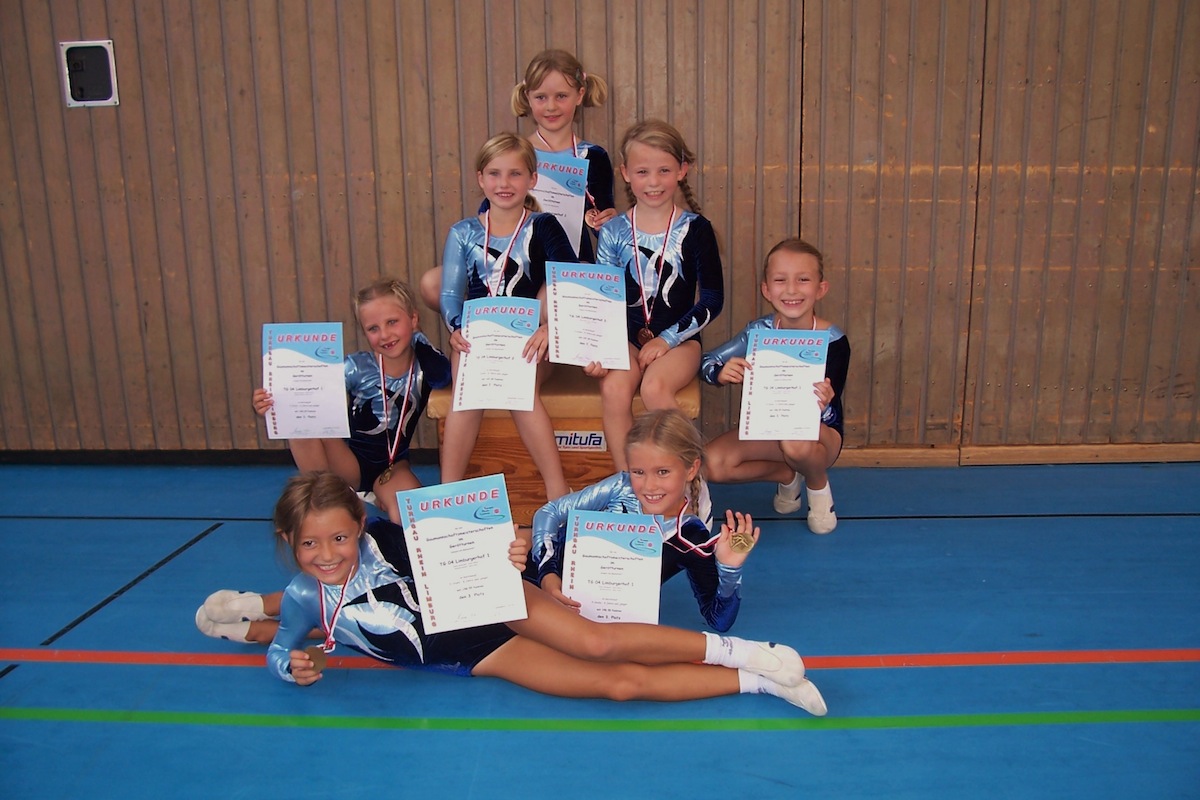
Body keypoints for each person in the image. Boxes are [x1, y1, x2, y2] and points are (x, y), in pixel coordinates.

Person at [262, 471, 827, 715]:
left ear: (359, 526)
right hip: (478, 655)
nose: (328, 553)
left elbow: (464, 546)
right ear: (289, 541)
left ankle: (747, 652)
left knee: (597, 643)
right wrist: (290, 667)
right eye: (310, 544)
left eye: (339, 537)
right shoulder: (302, 598)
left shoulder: (387, 540)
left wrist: (509, 551)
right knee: (619, 685)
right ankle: (760, 683)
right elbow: (282, 645)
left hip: (496, 603)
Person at [417, 50, 614, 309]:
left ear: (579, 95)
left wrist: (606, 223)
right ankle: (483, 324)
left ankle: (540, 326)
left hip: (568, 260)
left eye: (561, 96)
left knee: (560, 288)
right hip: (514, 256)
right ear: (527, 97)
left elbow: (603, 224)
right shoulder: (512, 154)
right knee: (433, 283)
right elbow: (488, 216)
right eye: (541, 97)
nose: (551, 106)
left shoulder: (594, 156)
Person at [437, 133, 575, 501]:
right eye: (495, 174)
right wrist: (456, 328)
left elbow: (570, 281)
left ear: (532, 178)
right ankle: (450, 493)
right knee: (464, 393)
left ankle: (557, 489)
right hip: (479, 339)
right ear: (480, 179)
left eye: (515, 174)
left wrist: (550, 327)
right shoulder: (464, 232)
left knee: (521, 389)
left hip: (531, 340)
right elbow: (450, 294)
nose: (504, 183)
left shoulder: (544, 226)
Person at [251, 278, 450, 524]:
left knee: (410, 517)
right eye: (373, 328)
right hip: (348, 464)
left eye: (392, 322)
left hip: (392, 466)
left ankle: (374, 495)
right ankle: (327, 494)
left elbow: (443, 376)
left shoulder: (424, 365)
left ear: (413, 318)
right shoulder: (356, 367)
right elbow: (308, 396)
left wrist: (419, 339)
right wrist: (273, 402)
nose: (384, 334)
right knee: (303, 425)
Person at [532, 409, 749, 632]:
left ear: (691, 469)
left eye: (662, 472)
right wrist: (547, 574)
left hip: (588, 623)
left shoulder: (691, 536)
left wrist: (729, 570)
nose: (649, 486)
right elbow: (550, 512)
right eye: (638, 472)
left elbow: (719, 620)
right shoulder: (621, 487)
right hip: (536, 583)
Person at [592, 120, 724, 470]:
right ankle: (627, 481)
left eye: (664, 170)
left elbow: (712, 299)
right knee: (613, 389)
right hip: (626, 340)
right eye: (643, 171)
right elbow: (603, 301)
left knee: (654, 387)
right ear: (625, 173)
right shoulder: (614, 231)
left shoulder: (696, 229)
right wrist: (599, 350)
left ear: (682, 170)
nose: (653, 182)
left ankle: (691, 477)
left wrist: (666, 340)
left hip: (680, 342)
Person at [701, 238, 851, 534]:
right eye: (781, 280)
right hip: (768, 428)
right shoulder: (758, 332)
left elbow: (832, 412)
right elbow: (706, 361)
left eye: (803, 280)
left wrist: (825, 403)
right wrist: (719, 373)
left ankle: (818, 487)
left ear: (821, 288)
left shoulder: (834, 340)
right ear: (766, 290)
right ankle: (786, 475)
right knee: (711, 464)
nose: (791, 290)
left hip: (819, 435)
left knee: (794, 441)